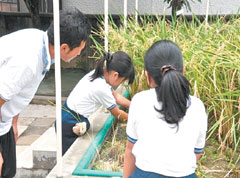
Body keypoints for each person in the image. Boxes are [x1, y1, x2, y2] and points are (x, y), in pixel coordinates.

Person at [0, 8, 91, 178]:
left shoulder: (41, 43)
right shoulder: (28, 61)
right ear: (64, 48)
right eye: (80, 49)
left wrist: (13, 121)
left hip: (4, 122)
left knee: (9, 171)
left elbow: (17, 91)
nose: (80, 54)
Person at [123, 40, 208, 178]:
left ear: (148, 77)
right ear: (183, 71)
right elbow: (196, 153)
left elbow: (130, 150)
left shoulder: (139, 101)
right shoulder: (197, 106)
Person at [61, 51, 135, 155]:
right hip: (69, 122)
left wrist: (135, 106)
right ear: (115, 75)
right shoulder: (101, 88)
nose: (121, 83)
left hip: (69, 116)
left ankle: (82, 126)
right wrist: (136, 118)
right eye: (122, 81)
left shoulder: (98, 75)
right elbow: (117, 114)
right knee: (67, 157)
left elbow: (117, 97)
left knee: (85, 125)